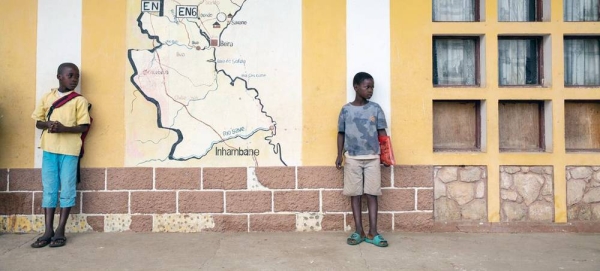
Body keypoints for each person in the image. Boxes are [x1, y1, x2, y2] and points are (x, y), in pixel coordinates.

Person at [30, 63, 90, 248]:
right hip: (49, 150)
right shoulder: (48, 97)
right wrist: (48, 125)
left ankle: (60, 229)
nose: (74, 80)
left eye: (76, 76)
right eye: (70, 75)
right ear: (59, 77)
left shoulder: (79, 101)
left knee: (67, 189)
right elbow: (38, 122)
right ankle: (48, 230)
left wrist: (64, 129)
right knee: (49, 188)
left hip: (69, 151)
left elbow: (84, 126)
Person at [336, 72, 388, 247]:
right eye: (367, 87)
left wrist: (386, 155)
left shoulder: (376, 109)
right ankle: (359, 231)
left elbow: (382, 133)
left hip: (373, 157)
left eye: (372, 87)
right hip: (352, 158)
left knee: (372, 194)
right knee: (355, 194)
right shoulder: (346, 110)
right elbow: (341, 133)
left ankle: (373, 232)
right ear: (356, 87)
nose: (371, 90)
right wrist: (339, 155)